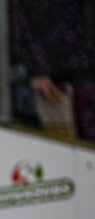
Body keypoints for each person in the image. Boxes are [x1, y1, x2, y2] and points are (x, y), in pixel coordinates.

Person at [10, 0, 95, 141]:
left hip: (83, 67)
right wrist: (36, 70)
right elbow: (20, 24)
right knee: (63, 142)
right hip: (57, 76)